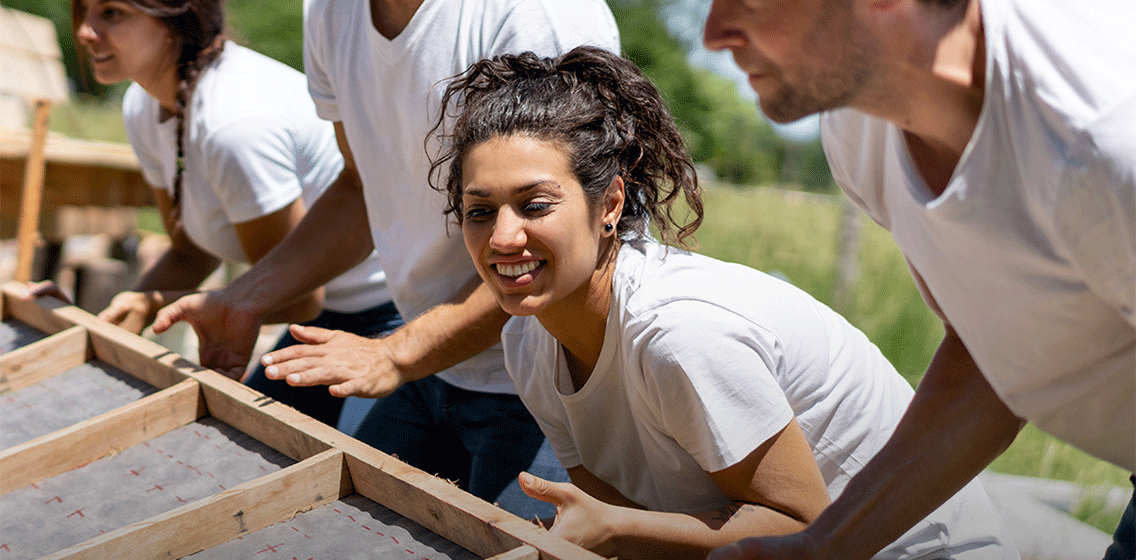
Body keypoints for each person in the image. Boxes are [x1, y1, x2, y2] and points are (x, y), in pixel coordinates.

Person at [430, 45, 1016, 560]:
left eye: (535, 205)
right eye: (480, 211)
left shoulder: (678, 333)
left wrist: (614, 531)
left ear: (609, 205)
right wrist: (609, 528)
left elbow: (800, 527)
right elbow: (615, 512)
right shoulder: (528, 343)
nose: (502, 237)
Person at [701, 0, 1136, 558]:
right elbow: (997, 351)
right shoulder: (860, 130)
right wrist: (823, 546)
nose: (714, 34)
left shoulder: (1105, 142)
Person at [149, 0, 620, 513]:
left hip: (544, 377)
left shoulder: (535, 14)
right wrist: (244, 298)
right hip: (421, 357)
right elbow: (358, 187)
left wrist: (395, 353)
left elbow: (543, 243)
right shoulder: (330, 12)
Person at [49, 0, 397, 430]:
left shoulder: (234, 125)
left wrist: (161, 305)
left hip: (387, 313)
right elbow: (189, 252)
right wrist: (118, 319)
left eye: (112, 13)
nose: (85, 31)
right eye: (83, 11)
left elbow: (302, 297)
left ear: (175, 21)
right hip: (312, 313)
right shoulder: (144, 106)